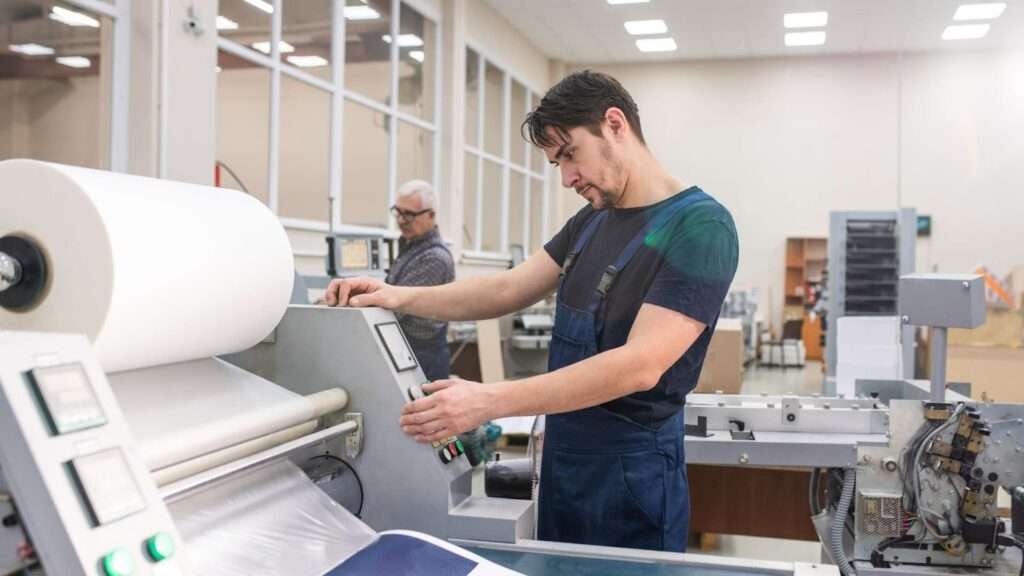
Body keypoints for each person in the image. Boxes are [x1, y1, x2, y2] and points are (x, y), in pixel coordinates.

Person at [324, 71, 738, 552]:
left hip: (632, 479)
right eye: (555, 162)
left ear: (614, 124)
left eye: (569, 154)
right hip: (563, 464)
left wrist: (489, 400)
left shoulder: (700, 227)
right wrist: (396, 295)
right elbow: (506, 289)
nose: (566, 178)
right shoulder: (591, 220)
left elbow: (640, 365)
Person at [385, 180, 455, 381]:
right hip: (407, 350)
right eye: (398, 211)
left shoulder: (434, 259)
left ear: (431, 215)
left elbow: (396, 307)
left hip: (423, 357)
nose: (401, 220)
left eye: (409, 214)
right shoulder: (410, 247)